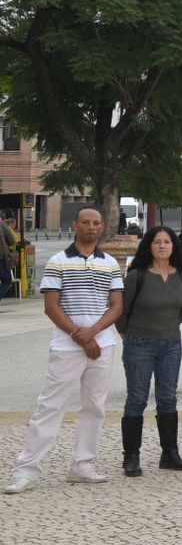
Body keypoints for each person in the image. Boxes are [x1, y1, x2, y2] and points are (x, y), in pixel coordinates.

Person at [5, 208, 124, 494]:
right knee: (51, 406)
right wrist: (80, 336)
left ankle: (82, 465)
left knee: (94, 407)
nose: (91, 227)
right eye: (86, 222)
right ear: (76, 225)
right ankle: (27, 471)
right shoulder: (58, 262)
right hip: (67, 346)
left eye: (96, 223)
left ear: (102, 227)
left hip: (102, 345)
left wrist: (93, 334)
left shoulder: (109, 263)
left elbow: (117, 305)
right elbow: (51, 306)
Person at [117, 226, 182, 476]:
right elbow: (122, 312)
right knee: (137, 399)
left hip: (171, 343)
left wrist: (166, 330)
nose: (162, 246)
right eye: (157, 242)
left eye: (167, 242)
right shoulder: (136, 276)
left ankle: (169, 453)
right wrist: (131, 336)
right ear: (149, 246)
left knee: (167, 398)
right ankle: (131, 457)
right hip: (139, 342)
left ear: (174, 247)